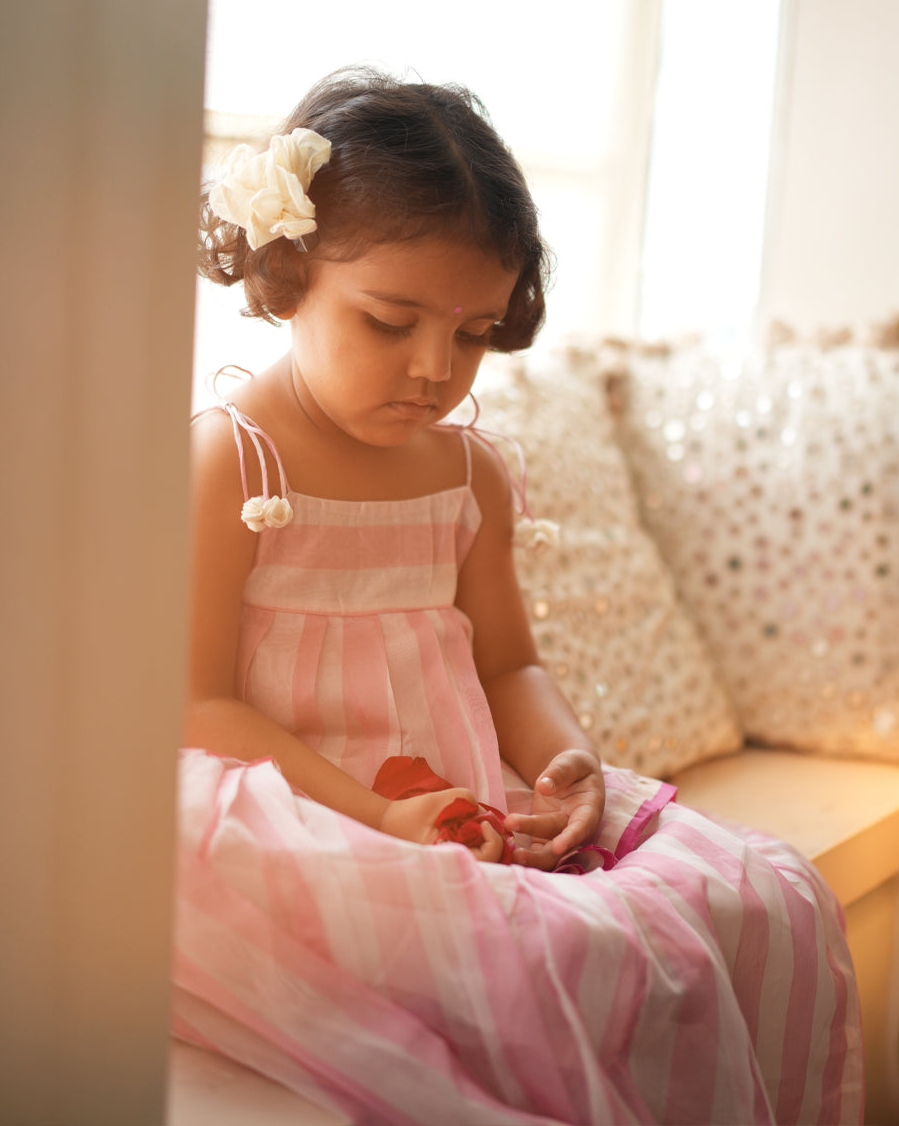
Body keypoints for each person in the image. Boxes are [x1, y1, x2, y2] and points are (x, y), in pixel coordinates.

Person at [175, 67, 863, 1125]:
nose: (432, 368)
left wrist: (563, 760)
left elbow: (507, 665)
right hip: (303, 808)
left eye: (472, 331)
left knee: (763, 896)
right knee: (537, 950)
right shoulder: (232, 462)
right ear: (289, 269)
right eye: (390, 320)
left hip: (462, 795)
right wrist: (376, 818)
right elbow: (196, 703)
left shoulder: (468, 474)